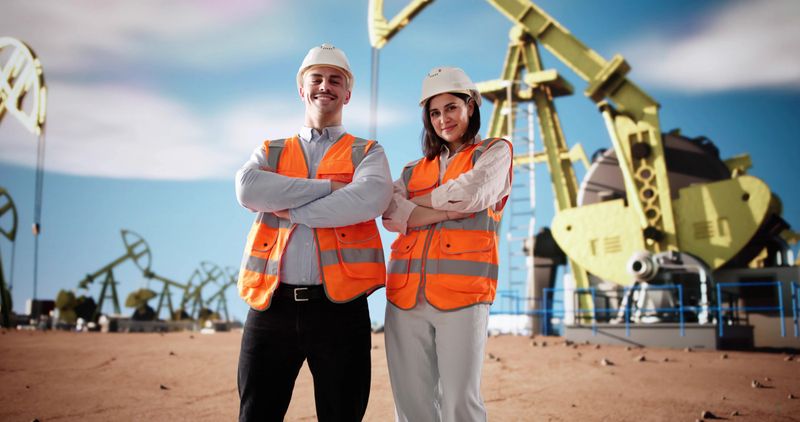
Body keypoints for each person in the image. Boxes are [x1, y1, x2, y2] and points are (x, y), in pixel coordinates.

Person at [234, 43, 393, 422]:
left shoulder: (367, 152)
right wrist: (330, 188)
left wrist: (285, 203)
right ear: (301, 90)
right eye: (316, 79)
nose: (325, 85)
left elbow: (369, 199)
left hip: (340, 308)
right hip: (271, 306)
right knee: (255, 415)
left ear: (347, 93)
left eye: (335, 79)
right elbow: (247, 189)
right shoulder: (269, 151)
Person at [382, 66, 513, 422]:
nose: (444, 119)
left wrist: (418, 205)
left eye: (451, 108)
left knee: (460, 404)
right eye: (435, 113)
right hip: (405, 297)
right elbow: (391, 213)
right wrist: (442, 210)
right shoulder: (412, 170)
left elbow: (469, 195)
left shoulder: (494, 152)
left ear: (471, 106)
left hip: (463, 296)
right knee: (412, 407)